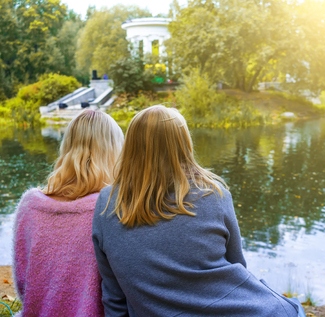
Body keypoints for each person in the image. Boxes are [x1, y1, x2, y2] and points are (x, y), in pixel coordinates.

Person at [92, 105, 305, 317]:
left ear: (131, 146)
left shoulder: (107, 202)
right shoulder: (213, 194)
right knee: (293, 309)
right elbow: (238, 265)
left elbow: (114, 295)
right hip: (239, 310)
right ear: (184, 144)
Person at [13, 110, 124, 317]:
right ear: (114, 152)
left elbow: (22, 283)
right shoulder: (112, 207)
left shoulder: (30, 205)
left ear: (67, 147)